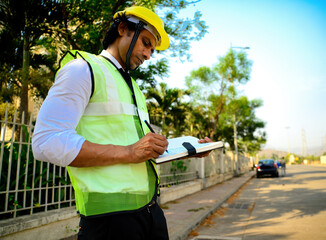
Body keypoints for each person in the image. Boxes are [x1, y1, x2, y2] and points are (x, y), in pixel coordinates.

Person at [32, 6, 212, 240]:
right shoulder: (82, 69)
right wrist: (128, 152)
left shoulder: (135, 88)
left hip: (150, 214)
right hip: (109, 222)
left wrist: (188, 149)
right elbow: (46, 142)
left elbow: (138, 149)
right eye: (146, 43)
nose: (148, 54)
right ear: (123, 29)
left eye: (152, 50)